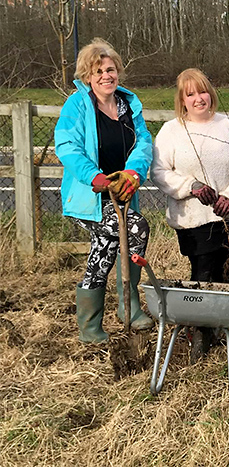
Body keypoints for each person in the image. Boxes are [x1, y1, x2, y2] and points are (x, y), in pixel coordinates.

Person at [54, 38, 154, 343]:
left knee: (105, 248)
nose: (105, 76)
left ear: (118, 72)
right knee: (136, 228)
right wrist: (95, 177)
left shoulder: (128, 105)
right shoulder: (78, 105)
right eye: (97, 71)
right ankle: (127, 306)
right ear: (87, 76)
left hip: (121, 193)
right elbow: (66, 145)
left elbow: (144, 143)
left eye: (110, 69)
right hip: (90, 196)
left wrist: (133, 172)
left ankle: (93, 325)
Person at [150, 68, 229, 359]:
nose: (198, 99)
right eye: (190, 94)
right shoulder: (171, 131)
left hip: (225, 215)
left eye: (202, 91)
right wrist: (190, 186)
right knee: (202, 273)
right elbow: (159, 172)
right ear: (182, 100)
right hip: (191, 217)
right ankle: (200, 334)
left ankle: (215, 326)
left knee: (221, 271)